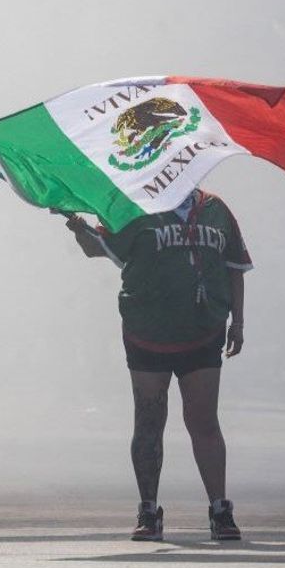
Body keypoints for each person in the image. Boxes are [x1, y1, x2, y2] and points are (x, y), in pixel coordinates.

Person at [65, 189, 250, 541]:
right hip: (147, 330)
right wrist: (80, 229)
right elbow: (98, 248)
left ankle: (220, 510)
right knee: (149, 420)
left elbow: (234, 268)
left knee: (204, 421)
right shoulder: (132, 205)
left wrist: (237, 323)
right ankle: (148, 510)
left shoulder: (216, 210)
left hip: (204, 328)